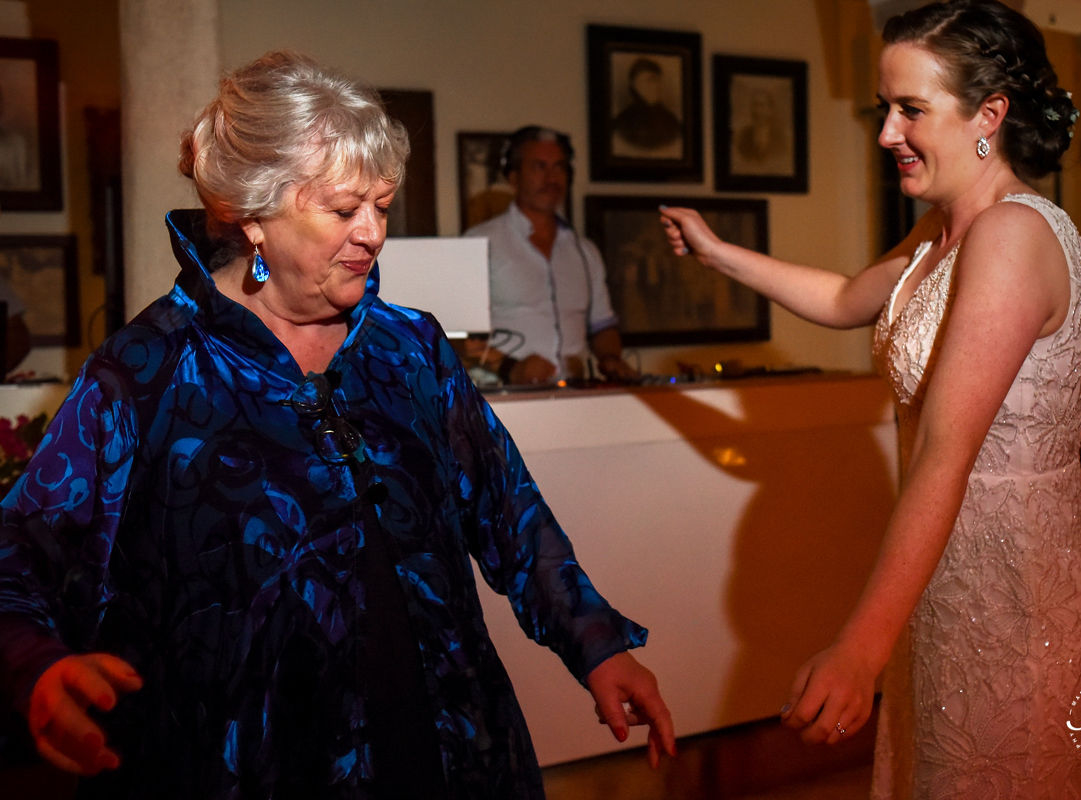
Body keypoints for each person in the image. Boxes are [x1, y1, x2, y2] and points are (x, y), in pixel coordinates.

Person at [0, 51, 674, 799]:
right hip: (258, 768)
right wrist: (35, 663)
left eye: (382, 206)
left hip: (449, 748)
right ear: (255, 214)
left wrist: (598, 645)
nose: (373, 234)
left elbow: (510, 513)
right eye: (344, 208)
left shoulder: (410, 349)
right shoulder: (148, 371)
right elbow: (18, 551)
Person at [660, 1, 1081, 796]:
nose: (886, 135)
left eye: (910, 110)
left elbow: (948, 449)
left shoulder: (1012, 236)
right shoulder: (944, 231)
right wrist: (718, 253)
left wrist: (860, 650)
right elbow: (844, 296)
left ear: (990, 114)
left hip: (1018, 598)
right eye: (885, 110)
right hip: (944, 582)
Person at [464, 125, 637, 385]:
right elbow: (457, 336)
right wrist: (512, 368)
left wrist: (611, 358)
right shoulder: (480, 242)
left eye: (559, 167)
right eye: (539, 167)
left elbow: (602, 325)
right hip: (504, 398)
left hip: (574, 396)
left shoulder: (585, 251)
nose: (551, 177)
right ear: (513, 177)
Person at [610, 58, 683, 158]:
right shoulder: (622, 122)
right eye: (650, 80)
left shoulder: (672, 121)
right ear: (634, 84)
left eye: (658, 80)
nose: (656, 86)